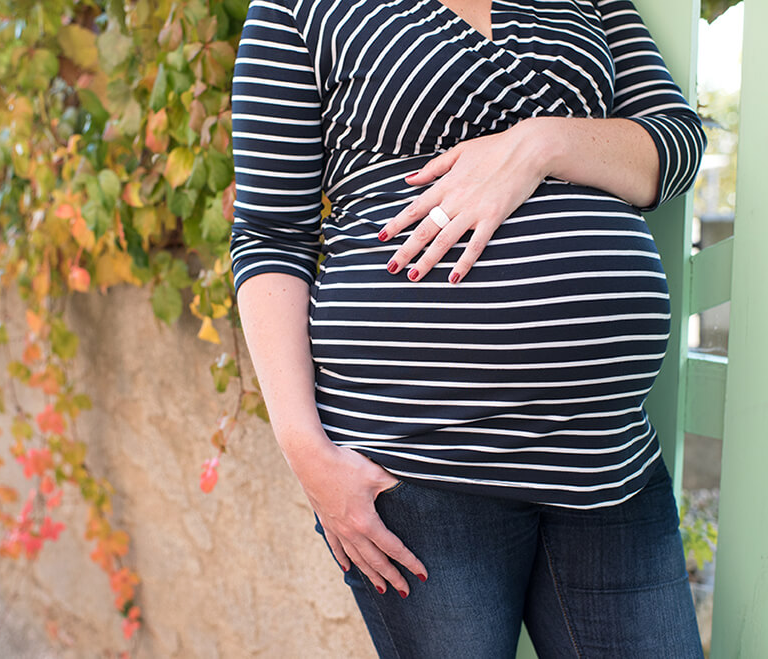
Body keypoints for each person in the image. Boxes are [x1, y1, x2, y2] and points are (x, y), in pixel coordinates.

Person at [229, 0, 707, 656]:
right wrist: (305, 451)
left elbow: (674, 143)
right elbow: (268, 234)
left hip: (604, 455)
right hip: (415, 459)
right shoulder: (297, 8)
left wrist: (541, 144)